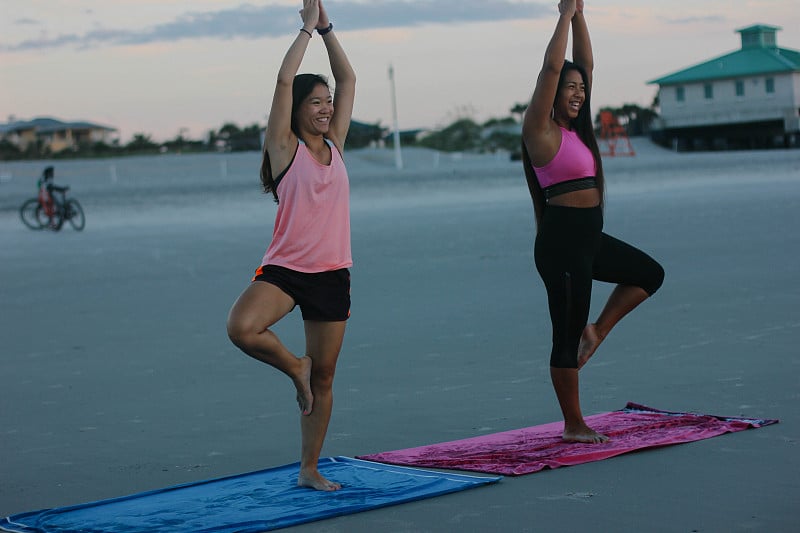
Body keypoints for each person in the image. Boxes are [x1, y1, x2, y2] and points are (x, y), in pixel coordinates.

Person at [521, 0, 664, 443]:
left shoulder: (578, 131)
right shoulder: (539, 131)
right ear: (552, 93)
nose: (578, 93)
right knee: (564, 338)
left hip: (589, 236)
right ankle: (573, 424)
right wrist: (563, 15)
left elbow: (585, 62)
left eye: (582, 88)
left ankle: (597, 330)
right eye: (570, 88)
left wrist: (581, 13)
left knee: (648, 274)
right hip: (561, 242)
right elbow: (551, 68)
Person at [226, 0, 355, 491]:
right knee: (242, 328)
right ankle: (293, 365)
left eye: (327, 102)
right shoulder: (285, 148)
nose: (325, 109)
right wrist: (304, 30)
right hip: (284, 270)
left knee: (325, 381)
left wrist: (327, 30)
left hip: (332, 274)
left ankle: (309, 469)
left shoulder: (337, 144)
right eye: (315, 102)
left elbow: (350, 80)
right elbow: (283, 83)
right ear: (298, 110)